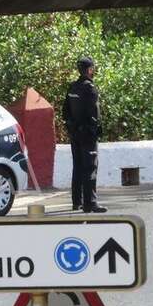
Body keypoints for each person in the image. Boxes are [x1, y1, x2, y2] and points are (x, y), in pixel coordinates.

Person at [62, 56, 107, 213]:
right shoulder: (90, 88)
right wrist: (94, 130)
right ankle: (90, 203)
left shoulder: (72, 87)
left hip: (75, 135)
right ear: (89, 70)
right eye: (92, 69)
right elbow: (94, 114)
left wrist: (72, 128)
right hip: (88, 136)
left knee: (78, 167)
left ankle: (77, 202)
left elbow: (65, 111)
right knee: (90, 168)